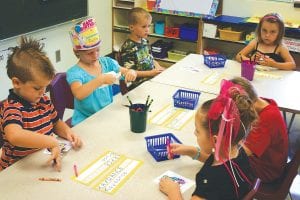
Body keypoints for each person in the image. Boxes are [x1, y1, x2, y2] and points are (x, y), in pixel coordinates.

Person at [159, 80, 257, 200]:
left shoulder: (209, 182)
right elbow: (219, 164)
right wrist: (192, 151)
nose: (194, 133)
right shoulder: (238, 151)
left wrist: (173, 192)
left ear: (216, 140)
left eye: (198, 131)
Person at [0, 36, 82, 171]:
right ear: (17, 83)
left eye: (45, 87)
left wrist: (68, 132)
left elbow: (56, 123)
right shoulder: (12, 108)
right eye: (37, 88)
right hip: (16, 171)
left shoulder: (43, 100)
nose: (42, 92)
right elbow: (14, 135)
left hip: (41, 162)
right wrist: (50, 141)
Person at [67, 17, 137, 126]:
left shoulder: (107, 63)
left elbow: (125, 72)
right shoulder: (75, 72)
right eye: (89, 53)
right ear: (76, 52)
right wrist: (101, 79)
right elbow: (79, 94)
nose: (95, 56)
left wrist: (131, 72)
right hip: (85, 121)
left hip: (106, 115)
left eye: (98, 50)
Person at [231, 77, 288, 183]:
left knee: (216, 168)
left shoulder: (266, 119)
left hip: (265, 172)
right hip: (264, 161)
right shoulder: (260, 102)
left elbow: (240, 153)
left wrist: (199, 154)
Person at [119, 7, 164, 91]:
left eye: (148, 26)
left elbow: (150, 59)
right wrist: (151, 73)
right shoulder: (128, 48)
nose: (147, 30)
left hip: (150, 80)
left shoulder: (144, 41)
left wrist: (158, 67)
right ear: (132, 27)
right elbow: (129, 72)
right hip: (136, 87)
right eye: (144, 27)